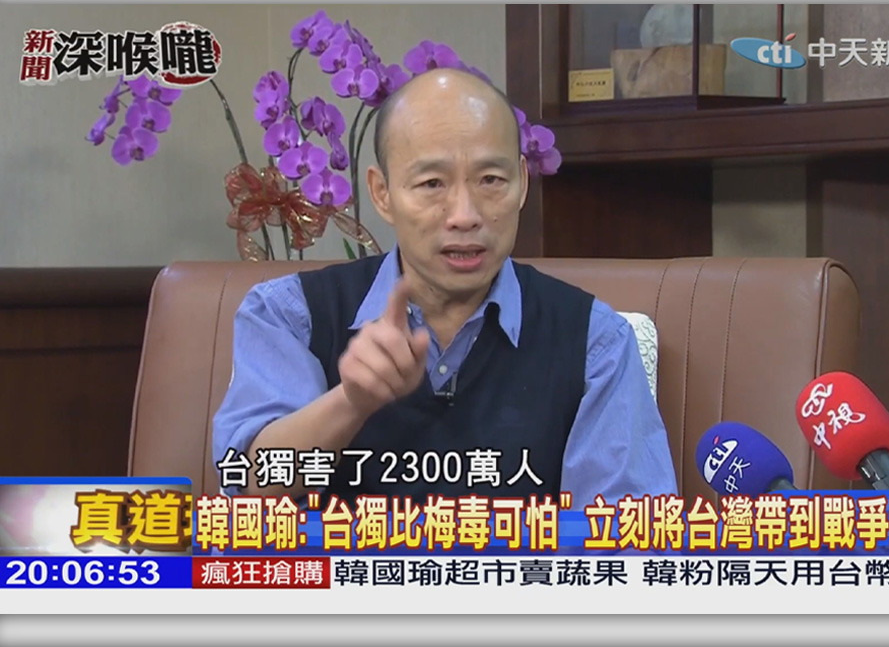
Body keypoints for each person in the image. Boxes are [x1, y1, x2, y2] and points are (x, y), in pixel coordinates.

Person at [211, 68, 677, 508]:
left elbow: (631, 534)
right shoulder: (291, 314)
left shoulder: (594, 340)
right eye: (432, 183)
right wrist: (351, 401)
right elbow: (248, 488)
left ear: (522, 183)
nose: (464, 215)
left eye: (491, 180)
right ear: (382, 193)